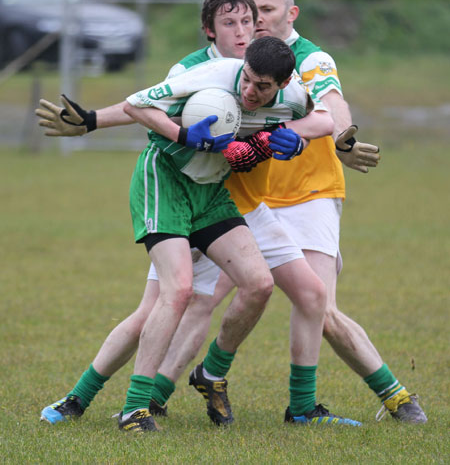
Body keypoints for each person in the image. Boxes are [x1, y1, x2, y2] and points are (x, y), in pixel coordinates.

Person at [143, 0, 426, 425]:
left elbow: (332, 103)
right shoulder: (241, 62)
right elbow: (165, 101)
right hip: (242, 198)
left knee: (316, 302)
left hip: (310, 195)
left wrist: (345, 139)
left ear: (291, 15)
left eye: (267, 10)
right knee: (199, 296)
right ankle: (147, 397)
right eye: (250, 11)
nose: (256, 20)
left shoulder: (310, 59)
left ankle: (370, 399)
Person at [37, 28, 336, 433]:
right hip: (165, 179)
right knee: (176, 292)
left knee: (259, 284)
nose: (249, 90)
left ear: (282, 84)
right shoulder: (210, 75)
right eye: (246, 79)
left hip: (211, 192)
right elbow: (136, 106)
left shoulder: (293, 96)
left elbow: (324, 118)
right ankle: (133, 410)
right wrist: (179, 133)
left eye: (261, 86)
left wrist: (296, 143)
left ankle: (212, 371)